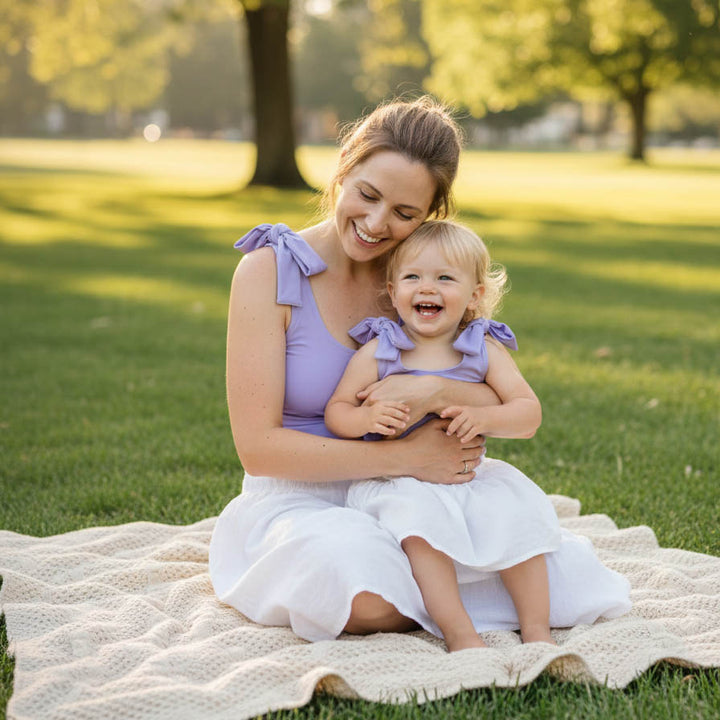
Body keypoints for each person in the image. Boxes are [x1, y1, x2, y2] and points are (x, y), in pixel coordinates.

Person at [208, 96, 631, 644]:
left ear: (430, 215)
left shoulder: (420, 281)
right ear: (344, 167)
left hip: (418, 493)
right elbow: (258, 449)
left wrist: (431, 392)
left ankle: (447, 585)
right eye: (367, 195)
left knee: (558, 578)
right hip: (302, 495)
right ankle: (443, 593)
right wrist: (403, 454)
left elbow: (495, 390)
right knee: (362, 593)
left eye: (405, 214)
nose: (376, 223)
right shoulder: (268, 272)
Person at [325, 220, 562, 650]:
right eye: (413, 277)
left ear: (475, 295)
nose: (427, 288)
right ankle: (460, 634)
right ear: (393, 290)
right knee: (422, 532)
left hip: (466, 475)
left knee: (518, 513)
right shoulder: (380, 350)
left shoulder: (482, 348)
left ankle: (537, 630)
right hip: (397, 483)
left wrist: (484, 418)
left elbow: (528, 414)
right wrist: (366, 419)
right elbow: (337, 412)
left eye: (445, 278)